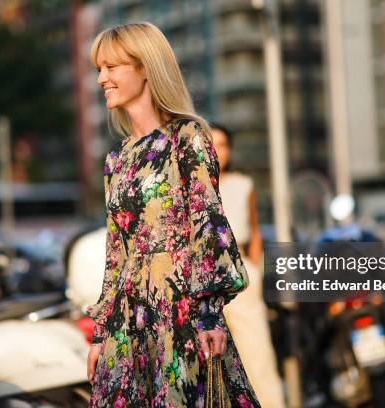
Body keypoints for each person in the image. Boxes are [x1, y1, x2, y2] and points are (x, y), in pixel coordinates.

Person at [84, 22, 262, 408]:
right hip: (128, 320)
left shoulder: (188, 138)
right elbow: (116, 252)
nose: (102, 79)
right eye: (99, 68)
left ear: (145, 67)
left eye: (111, 67)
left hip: (178, 310)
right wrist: (102, 333)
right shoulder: (116, 160)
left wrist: (210, 313)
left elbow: (208, 225)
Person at [210, 123, 287, 408]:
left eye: (223, 144)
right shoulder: (188, 186)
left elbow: (255, 230)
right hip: (202, 277)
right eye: (212, 143)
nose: (218, 151)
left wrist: (254, 267)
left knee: (257, 354)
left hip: (239, 272)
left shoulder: (243, 184)